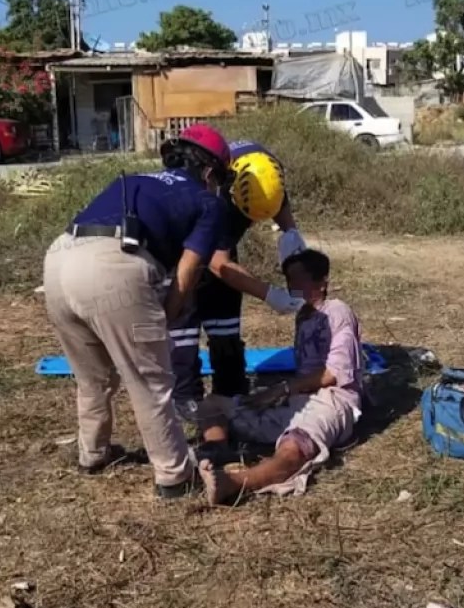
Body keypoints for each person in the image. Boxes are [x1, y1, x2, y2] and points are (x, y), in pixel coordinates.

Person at [43, 123, 232, 499]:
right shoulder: (208, 201)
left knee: (93, 377)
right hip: (113, 267)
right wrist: (169, 314)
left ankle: (93, 453)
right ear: (209, 172)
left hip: (59, 260)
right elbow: (188, 269)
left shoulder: (139, 180)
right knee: (151, 380)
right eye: (220, 178)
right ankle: (175, 476)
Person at [196, 249, 364, 506]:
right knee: (213, 404)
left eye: (299, 280)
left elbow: (334, 373)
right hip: (299, 399)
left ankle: (235, 483)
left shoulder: (336, 311)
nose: (292, 287)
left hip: (332, 399)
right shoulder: (304, 316)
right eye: (289, 281)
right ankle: (219, 451)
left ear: (322, 282)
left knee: (294, 448)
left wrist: (281, 389)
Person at [169, 138, 310, 421]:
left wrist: (297, 258)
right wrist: (271, 294)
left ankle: (230, 390)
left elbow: (286, 222)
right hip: (181, 244)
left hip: (227, 227)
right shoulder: (215, 192)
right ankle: (185, 398)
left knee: (225, 320)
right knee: (185, 321)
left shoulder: (268, 174)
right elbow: (219, 264)